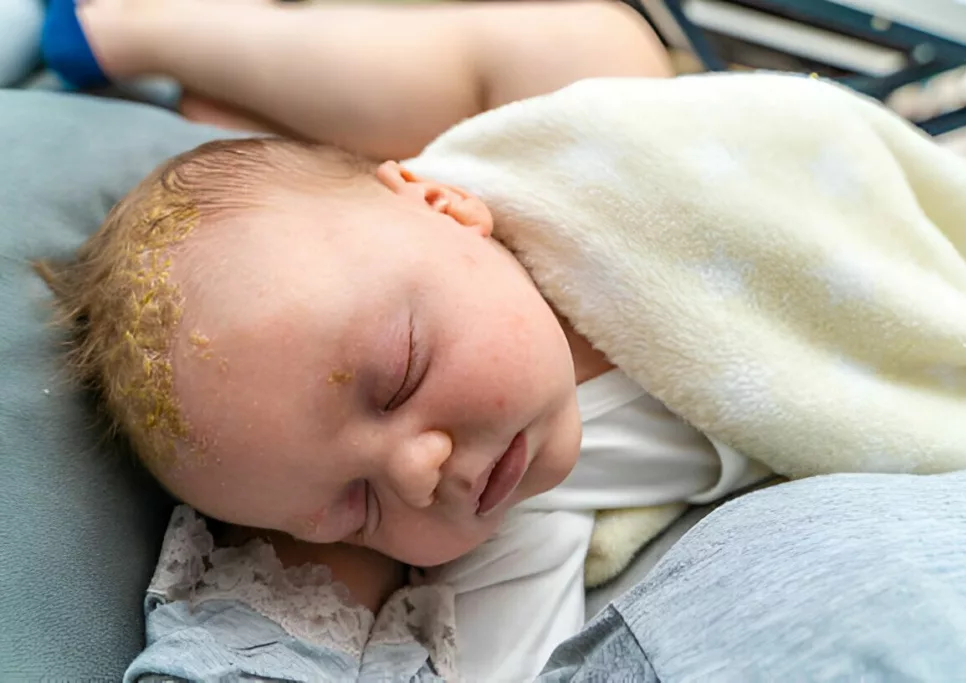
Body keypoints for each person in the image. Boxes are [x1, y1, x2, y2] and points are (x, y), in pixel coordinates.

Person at [38, 1, 774, 680]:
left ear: (443, 206)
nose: (419, 473)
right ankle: (222, 117)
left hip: (553, 165)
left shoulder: (567, 192)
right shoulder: (515, 526)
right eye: (358, 507)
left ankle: (153, 25)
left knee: (589, 41)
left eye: (399, 377)